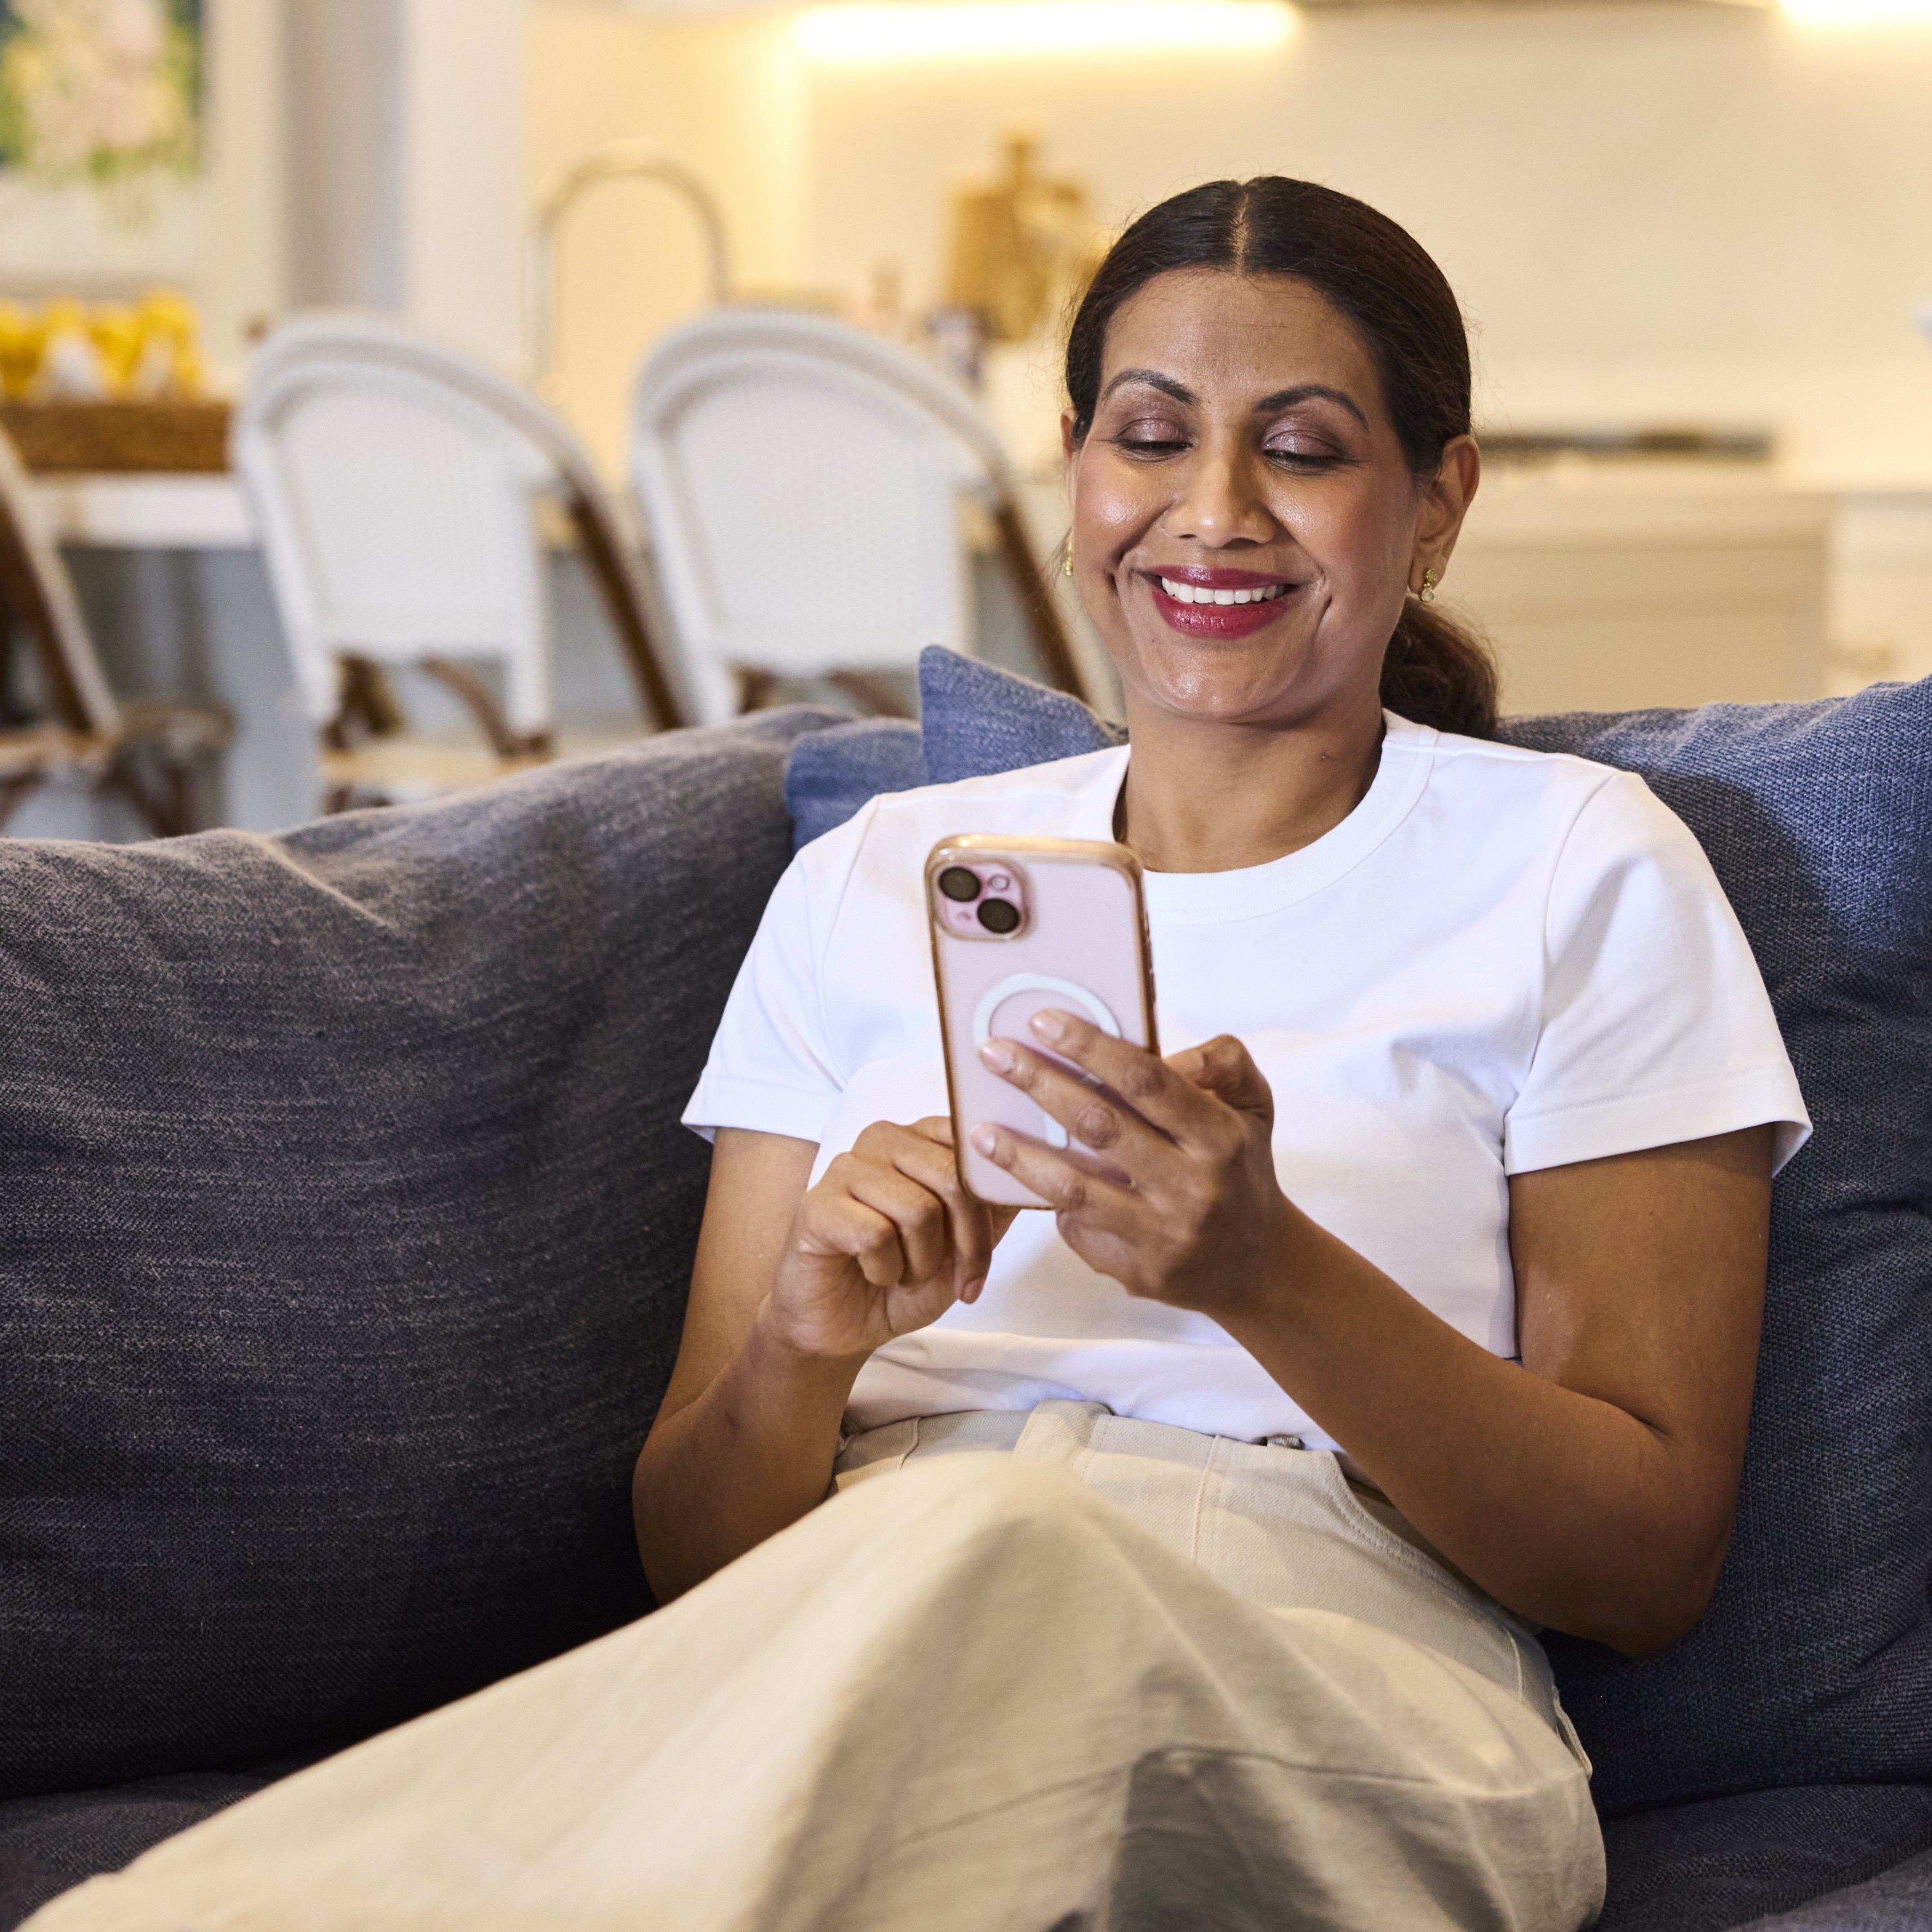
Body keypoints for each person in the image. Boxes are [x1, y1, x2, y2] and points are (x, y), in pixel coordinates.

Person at [31, 178, 1809, 1932]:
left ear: (1435, 504)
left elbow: (1643, 1561)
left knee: (981, 1568)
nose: (1212, 512)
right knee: (919, 1584)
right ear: (1072, 474)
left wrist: (1261, 1270)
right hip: (844, 1613)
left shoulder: (1578, 863)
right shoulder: (875, 878)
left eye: (1305, 446)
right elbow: (700, 1553)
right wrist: (807, 1342)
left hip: (1337, 1671)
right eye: (1150, 434)